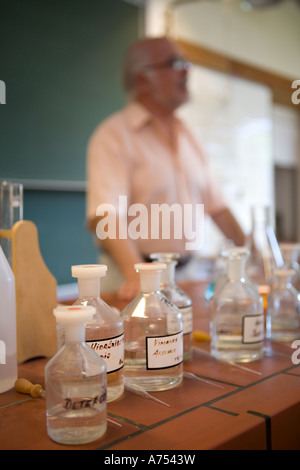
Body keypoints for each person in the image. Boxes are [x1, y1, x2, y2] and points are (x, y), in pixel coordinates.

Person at [86, 36, 246, 300]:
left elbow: (217, 206)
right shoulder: (113, 135)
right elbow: (104, 215)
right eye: (175, 63)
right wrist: (135, 274)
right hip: (132, 280)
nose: (186, 70)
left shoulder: (189, 137)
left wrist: (253, 255)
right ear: (142, 80)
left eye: (186, 62)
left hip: (188, 277)